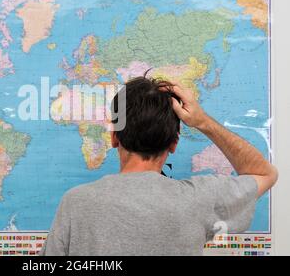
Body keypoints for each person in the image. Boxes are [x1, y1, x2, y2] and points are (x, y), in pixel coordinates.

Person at [40, 75, 278, 256]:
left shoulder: (75, 203)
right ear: (174, 143)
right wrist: (202, 121)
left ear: (114, 138)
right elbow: (265, 173)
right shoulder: (199, 199)